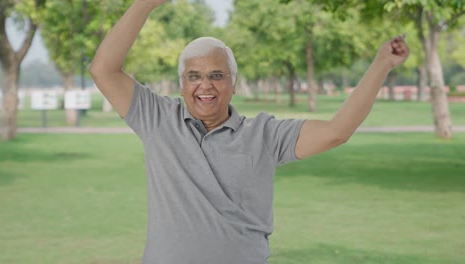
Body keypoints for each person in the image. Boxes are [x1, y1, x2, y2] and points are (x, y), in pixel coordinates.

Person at [89, 1, 409, 263]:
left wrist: (382, 63)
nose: (205, 85)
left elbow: (337, 131)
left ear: (233, 83)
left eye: (217, 75)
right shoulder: (158, 119)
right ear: (182, 83)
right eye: (194, 76)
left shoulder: (264, 135)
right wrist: (145, 4)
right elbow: (103, 69)